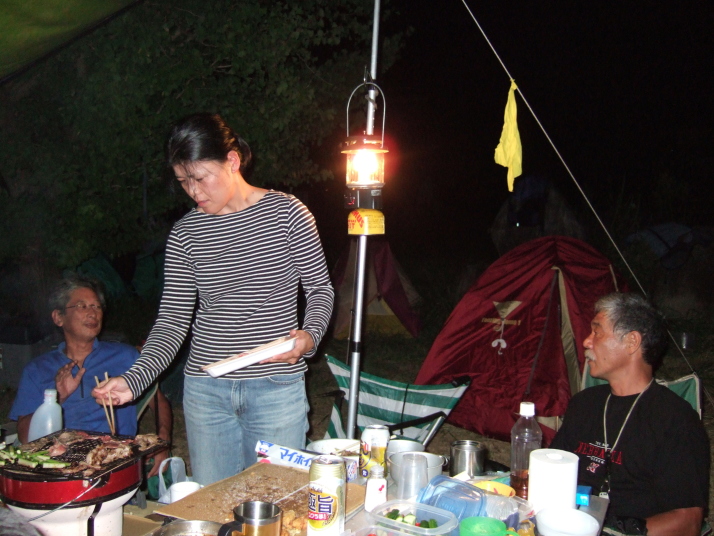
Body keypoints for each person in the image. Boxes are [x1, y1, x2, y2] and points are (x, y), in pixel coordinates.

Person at [93, 113, 334, 485]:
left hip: (274, 388)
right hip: (207, 393)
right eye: (183, 181)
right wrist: (134, 379)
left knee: (274, 499)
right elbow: (172, 320)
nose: (193, 191)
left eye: (200, 177)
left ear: (232, 161)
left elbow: (320, 289)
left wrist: (310, 335)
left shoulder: (287, 213)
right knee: (213, 503)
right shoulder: (186, 233)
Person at [550, 293, 709, 536]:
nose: (586, 341)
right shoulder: (584, 404)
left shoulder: (674, 419)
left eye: (597, 332)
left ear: (632, 342)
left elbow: (687, 522)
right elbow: (551, 471)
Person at [8, 276, 172, 477]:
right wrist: (58, 398)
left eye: (96, 306)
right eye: (82, 306)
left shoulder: (125, 356)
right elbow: (25, 437)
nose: (92, 312)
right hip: (57, 467)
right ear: (58, 317)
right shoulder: (37, 369)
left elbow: (158, 400)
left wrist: (163, 442)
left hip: (116, 461)